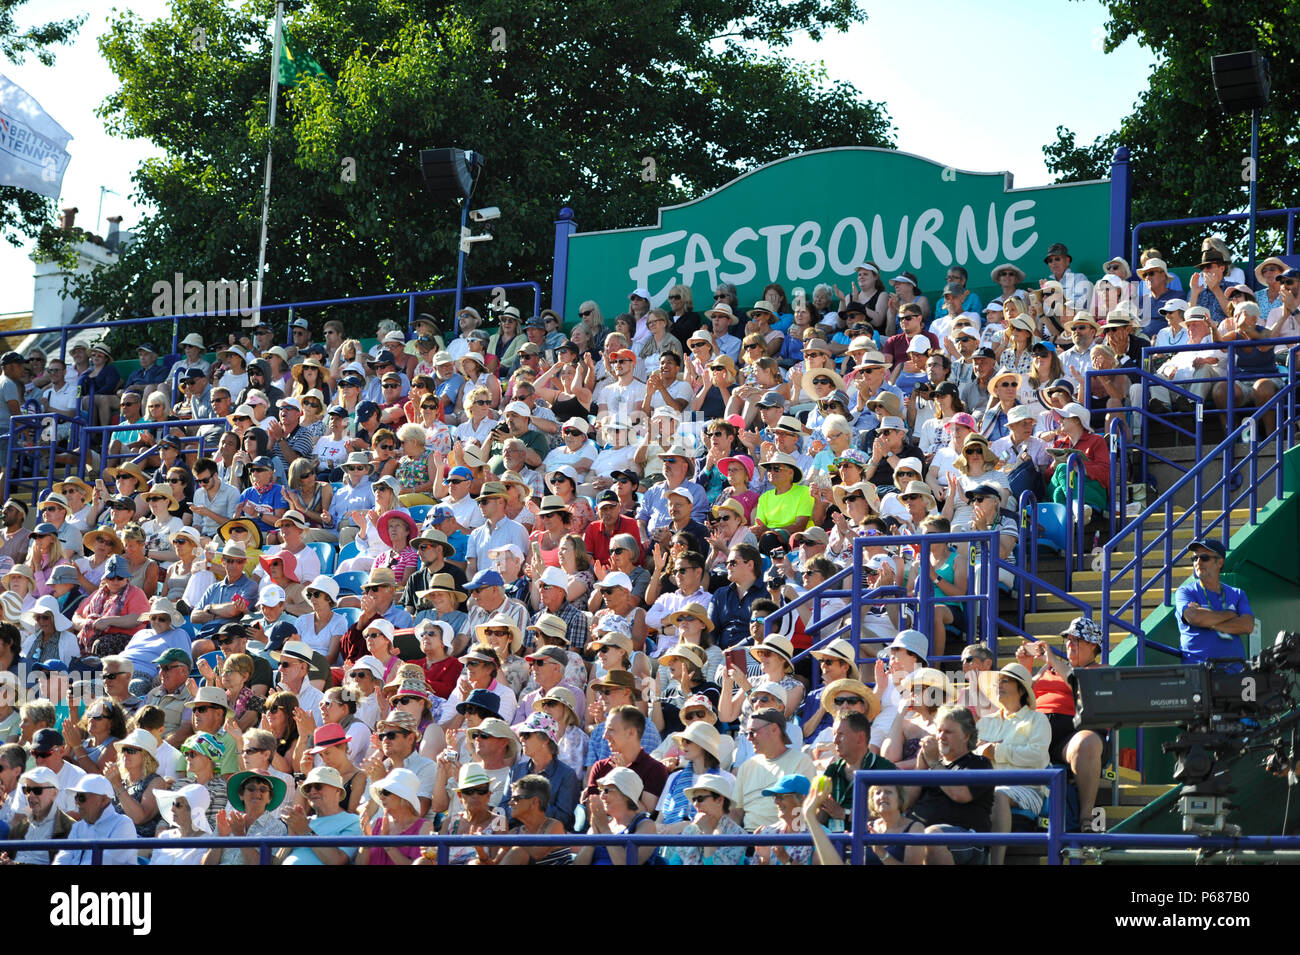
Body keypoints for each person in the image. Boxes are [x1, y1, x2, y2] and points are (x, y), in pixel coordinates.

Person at [975, 662, 1051, 866]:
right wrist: (987, 751)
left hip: (1029, 789)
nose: (998, 685)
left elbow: (1036, 756)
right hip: (986, 787)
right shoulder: (985, 722)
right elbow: (973, 754)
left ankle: (995, 863)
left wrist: (996, 752)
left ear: (1021, 689)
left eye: (1004, 681)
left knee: (999, 794)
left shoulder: (1038, 720)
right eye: (997, 682)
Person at [904, 704, 994, 866]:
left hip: (967, 840)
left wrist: (933, 763)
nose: (941, 737)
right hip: (922, 834)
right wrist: (921, 768)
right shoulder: (934, 765)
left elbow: (960, 794)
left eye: (948, 732)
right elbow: (907, 802)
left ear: (966, 736)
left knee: (931, 836)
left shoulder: (979, 763)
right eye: (939, 731)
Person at [731, 707, 817, 830]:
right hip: (748, 839)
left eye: (753, 732)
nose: (749, 738)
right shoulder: (746, 767)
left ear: (774, 729)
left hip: (783, 838)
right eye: (746, 734)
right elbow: (736, 812)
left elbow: (807, 809)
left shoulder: (802, 762)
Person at [1176, 537, 1252, 668]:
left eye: (1204, 558)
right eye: (1194, 558)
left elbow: (1247, 625)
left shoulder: (1237, 593)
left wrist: (1208, 621)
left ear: (1220, 562)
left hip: (1235, 671)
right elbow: (1194, 617)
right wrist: (1230, 614)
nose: (1198, 563)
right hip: (1198, 671)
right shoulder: (1185, 591)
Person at [277, 765, 363, 865]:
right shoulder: (303, 822)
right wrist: (291, 836)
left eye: (318, 786)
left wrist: (306, 831)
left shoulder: (354, 821)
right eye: (308, 788)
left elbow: (337, 861)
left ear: (337, 790)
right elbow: (276, 863)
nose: (312, 791)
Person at [508, 711, 580, 830]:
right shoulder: (516, 771)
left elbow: (564, 819)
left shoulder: (566, 775)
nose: (521, 739)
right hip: (518, 835)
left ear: (545, 739)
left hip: (549, 840)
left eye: (526, 735)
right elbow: (504, 809)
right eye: (521, 735)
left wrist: (528, 803)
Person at [205, 770, 289, 866]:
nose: (257, 793)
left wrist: (240, 836)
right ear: (241, 795)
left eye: (263, 789)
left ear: (269, 798)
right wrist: (220, 838)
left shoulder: (277, 827)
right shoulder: (227, 822)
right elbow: (207, 863)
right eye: (251, 788)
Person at [52, 775, 138, 866]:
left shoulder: (123, 824)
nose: (76, 802)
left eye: (82, 797)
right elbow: (62, 859)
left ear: (104, 800)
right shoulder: (78, 827)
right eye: (76, 797)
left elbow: (104, 862)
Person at [3, 766, 75, 864]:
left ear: (54, 793)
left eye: (37, 790)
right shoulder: (20, 827)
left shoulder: (70, 828)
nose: (31, 795)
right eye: (27, 790)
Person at [149, 784, 212, 866]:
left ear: (193, 811)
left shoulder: (207, 842)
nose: (172, 809)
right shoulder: (164, 836)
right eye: (173, 804)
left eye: (178, 805)